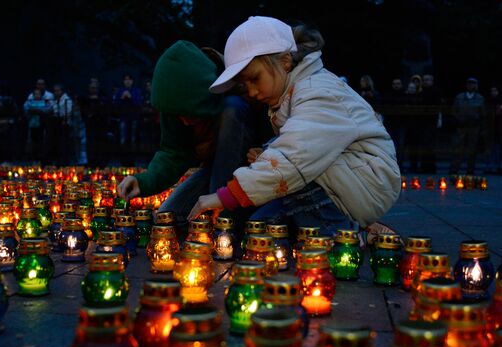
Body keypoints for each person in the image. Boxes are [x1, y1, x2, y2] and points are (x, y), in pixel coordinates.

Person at [188, 16, 401, 235]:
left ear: (285, 61)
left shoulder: (317, 92)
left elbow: (295, 156)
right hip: (339, 182)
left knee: (264, 227)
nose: (251, 91)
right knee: (261, 224)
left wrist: (225, 196)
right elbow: (302, 145)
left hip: (366, 186)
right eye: (244, 84)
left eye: (255, 79)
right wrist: (268, 153)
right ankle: (349, 227)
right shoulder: (292, 95)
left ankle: (344, 234)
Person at [117, 40, 263, 227]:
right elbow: (174, 154)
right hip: (212, 173)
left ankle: (224, 223)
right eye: (178, 115)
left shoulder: (244, 92)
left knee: (232, 110)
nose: (184, 121)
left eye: (189, 114)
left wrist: (263, 152)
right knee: (167, 217)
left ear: (204, 100)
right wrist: (143, 182)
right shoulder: (174, 106)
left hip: (253, 175)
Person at [449, 77, 486, 175]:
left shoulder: (480, 98)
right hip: (461, 126)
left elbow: (483, 114)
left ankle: (470, 170)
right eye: (469, 84)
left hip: (474, 127)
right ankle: (454, 169)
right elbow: (454, 111)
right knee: (457, 148)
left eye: (473, 84)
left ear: (476, 86)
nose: (471, 86)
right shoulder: (459, 97)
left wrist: (481, 128)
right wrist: (458, 120)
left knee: (472, 150)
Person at [113, 74, 143, 163]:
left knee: (133, 139)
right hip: (123, 119)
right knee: (123, 139)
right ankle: (123, 160)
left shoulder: (136, 91)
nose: (127, 81)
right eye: (126, 79)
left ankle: (132, 160)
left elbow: (139, 103)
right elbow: (115, 104)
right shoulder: (119, 91)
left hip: (134, 118)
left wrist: (130, 97)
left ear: (132, 81)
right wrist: (122, 97)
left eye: (129, 79)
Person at [51, 84, 73, 165]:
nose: (56, 92)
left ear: (62, 91)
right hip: (56, 125)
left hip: (65, 125)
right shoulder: (55, 100)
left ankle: (65, 162)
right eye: (55, 91)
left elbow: (69, 112)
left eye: (58, 91)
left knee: (64, 144)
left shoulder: (67, 100)